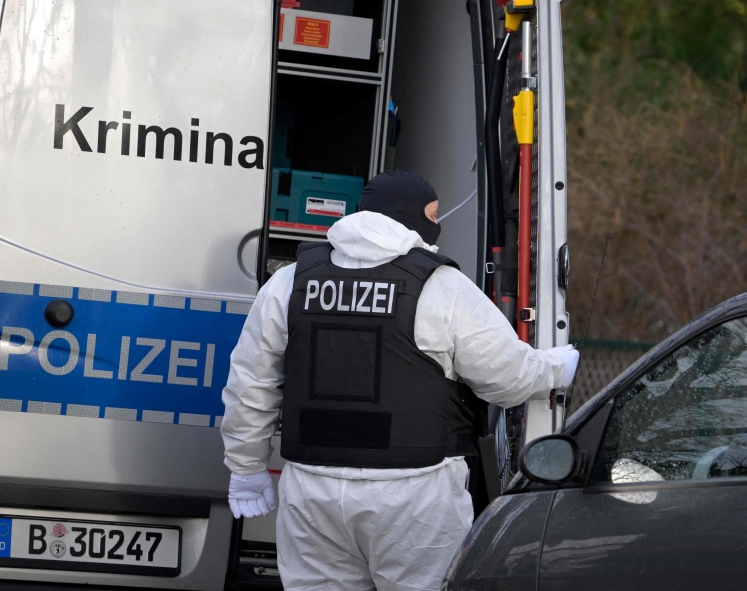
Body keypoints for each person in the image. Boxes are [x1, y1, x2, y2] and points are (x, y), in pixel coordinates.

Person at [221, 170, 578, 591]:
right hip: (413, 497)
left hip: (311, 492)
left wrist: (246, 466)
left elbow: (251, 383)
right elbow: (507, 378)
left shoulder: (289, 281)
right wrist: (557, 367)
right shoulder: (441, 287)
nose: (438, 225)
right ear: (409, 216)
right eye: (433, 214)